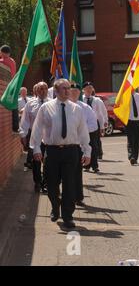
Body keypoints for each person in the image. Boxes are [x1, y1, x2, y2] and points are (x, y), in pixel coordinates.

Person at [30, 79, 91, 229]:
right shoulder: (46, 108)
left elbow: (83, 131)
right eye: (64, 88)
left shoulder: (77, 109)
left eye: (68, 88)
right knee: (51, 184)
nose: (67, 91)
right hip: (52, 151)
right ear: (56, 91)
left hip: (71, 151)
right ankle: (55, 206)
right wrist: (36, 148)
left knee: (70, 184)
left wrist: (87, 151)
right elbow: (37, 129)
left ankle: (67, 216)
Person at [69, 83, 98, 206]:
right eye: (72, 90)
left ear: (80, 92)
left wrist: (82, 128)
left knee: (76, 172)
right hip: (64, 144)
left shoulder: (85, 108)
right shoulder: (63, 106)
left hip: (79, 144)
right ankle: (67, 196)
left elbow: (94, 125)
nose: (74, 93)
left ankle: (78, 197)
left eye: (76, 91)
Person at [19, 82, 50, 193]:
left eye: (45, 88)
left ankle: (46, 183)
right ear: (36, 91)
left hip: (49, 137)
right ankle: (37, 182)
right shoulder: (30, 104)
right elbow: (25, 121)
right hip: (35, 137)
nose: (44, 91)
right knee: (36, 162)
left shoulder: (52, 103)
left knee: (48, 161)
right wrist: (23, 135)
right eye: (41, 89)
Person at [82, 82, 107, 171]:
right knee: (85, 145)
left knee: (94, 146)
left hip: (94, 125)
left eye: (90, 88)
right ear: (83, 90)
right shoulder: (80, 100)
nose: (89, 90)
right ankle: (86, 165)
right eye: (87, 88)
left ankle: (95, 166)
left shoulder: (97, 100)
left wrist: (102, 127)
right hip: (83, 125)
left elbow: (100, 114)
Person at [1, 45, 19, 132]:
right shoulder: (12, 61)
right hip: (14, 85)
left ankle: (15, 127)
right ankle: (16, 127)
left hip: (9, 85)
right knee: (14, 105)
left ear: (2, 52)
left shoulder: (3, 61)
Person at [125, 87, 139, 165]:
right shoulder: (125, 97)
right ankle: (131, 156)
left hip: (138, 121)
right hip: (129, 121)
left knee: (137, 140)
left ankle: (135, 158)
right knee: (130, 140)